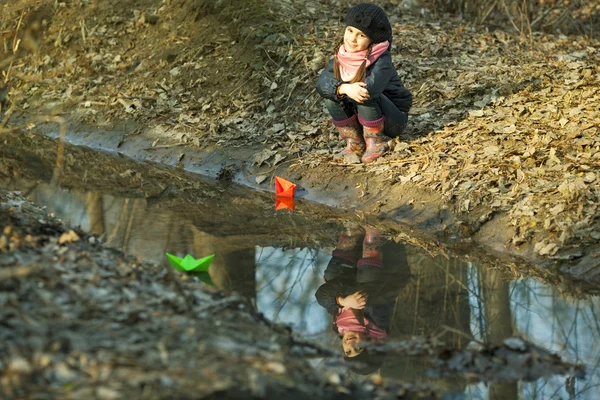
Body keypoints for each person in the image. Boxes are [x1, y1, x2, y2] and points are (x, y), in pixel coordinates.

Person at [316, 3, 412, 163]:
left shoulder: (382, 59)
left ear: (372, 41)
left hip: (391, 120)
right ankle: (355, 142)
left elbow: (370, 90)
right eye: (350, 31)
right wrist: (343, 88)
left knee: (361, 93)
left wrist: (349, 89)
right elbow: (322, 83)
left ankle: (376, 142)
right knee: (332, 95)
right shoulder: (342, 56)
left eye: (361, 35)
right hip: (363, 116)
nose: (352, 39)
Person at [315, 224, 410, 374]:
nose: (350, 344)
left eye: (348, 351)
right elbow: (362, 292)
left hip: (354, 265)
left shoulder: (338, 321)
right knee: (367, 288)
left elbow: (320, 297)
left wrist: (342, 300)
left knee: (332, 276)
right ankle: (373, 238)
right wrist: (335, 292)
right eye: (358, 348)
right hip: (389, 258)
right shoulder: (377, 320)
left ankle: (351, 235)